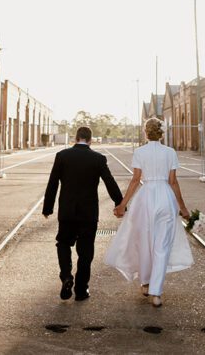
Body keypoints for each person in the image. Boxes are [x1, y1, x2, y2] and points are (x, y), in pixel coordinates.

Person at [104, 118, 193, 307]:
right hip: (165, 198)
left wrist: (122, 204)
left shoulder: (140, 152)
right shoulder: (170, 152)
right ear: (162, 133)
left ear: (146, 132)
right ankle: (156, 293)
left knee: (144, 242)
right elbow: (173, 182)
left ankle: (145, 283)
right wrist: (183, 208)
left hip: (145, 199)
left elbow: (136, 180)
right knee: (162, 246)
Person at [42, 126, 124, 302]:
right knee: (86, 251)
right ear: (90, 140)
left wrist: (47, 208)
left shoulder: (62, 156)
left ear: (75, 138)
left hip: (67, 212)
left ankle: (66, 276)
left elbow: (53, 183)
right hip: (88, 213)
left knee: (63, 243)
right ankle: (81, 289)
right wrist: (120, 203)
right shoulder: (98, 159)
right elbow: (110, 182)